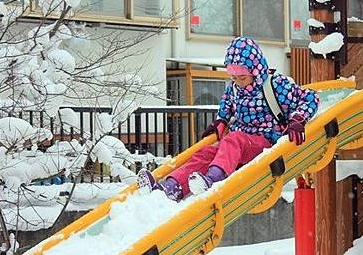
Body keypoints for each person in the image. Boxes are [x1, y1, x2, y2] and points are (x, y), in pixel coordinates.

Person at [137, 36, 319, 201]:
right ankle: (171, 188)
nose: (239, 82)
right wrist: (221, 121)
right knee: (205, 153)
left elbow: (310, 97)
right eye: (234, 77)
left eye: (243, 77)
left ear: (256, 71)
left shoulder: (276, 84)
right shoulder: (233, 88)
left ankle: (215, 178)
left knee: (233, 139)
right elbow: (226, 107)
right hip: (237, 147)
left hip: (266, 144)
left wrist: (298, 119)